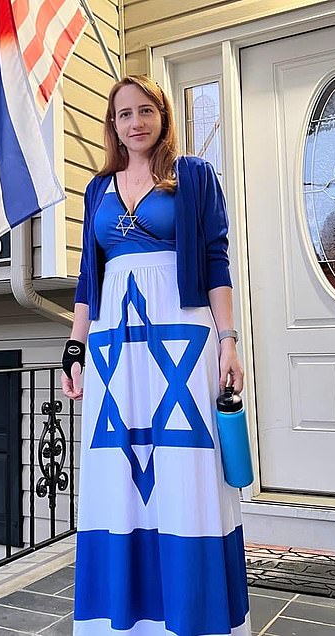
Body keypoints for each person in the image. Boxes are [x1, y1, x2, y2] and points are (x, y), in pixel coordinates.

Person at [61, 75, 251, 636]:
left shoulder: (193, 177)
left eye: (146, 111)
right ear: (113, 125)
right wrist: (75, 346)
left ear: (163, 117)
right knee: (120, 472)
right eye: (124, 114)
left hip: (181, 338)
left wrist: (228, 340)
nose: (135, 122)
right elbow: (87, 277)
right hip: (114, 343)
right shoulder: (98, 189)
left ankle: (194, 616)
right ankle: (121, 620)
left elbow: (216, 260)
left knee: (183, 467)